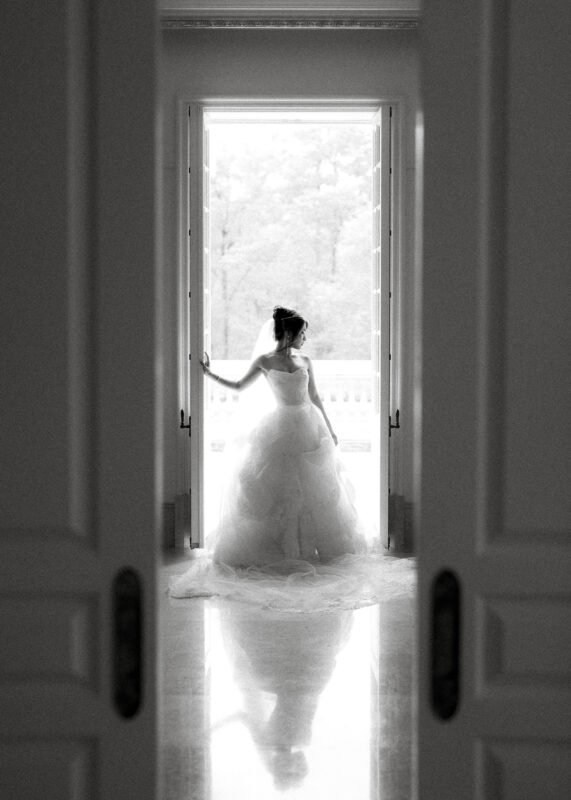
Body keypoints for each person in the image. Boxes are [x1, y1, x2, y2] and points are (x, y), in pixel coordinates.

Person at [169, 305, 414, 611]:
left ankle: (318, 552)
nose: (305, 339)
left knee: (319, 491)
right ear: (288, 333)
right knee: (280, 494)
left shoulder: (305, 360)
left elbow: (315, 397)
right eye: (302, 333)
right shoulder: (264, 360)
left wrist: (331, 429)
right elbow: (239, 386)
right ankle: (282, 554)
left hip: (309, 427)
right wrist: (209, 373)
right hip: (280, 430)